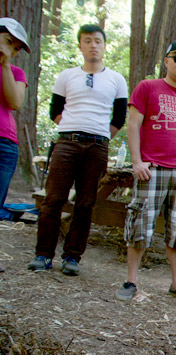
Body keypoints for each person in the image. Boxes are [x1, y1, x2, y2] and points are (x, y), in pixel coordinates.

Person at [114, 40, 176, 304]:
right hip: (151, 169)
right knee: (140, 225)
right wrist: (136, 161)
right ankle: (132, 280)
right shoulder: (147, 88)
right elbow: (133, 125)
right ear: (166, 60)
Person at [28, 24, 128, 275]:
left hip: (97, 147)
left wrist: (99, 135)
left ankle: (72, 257)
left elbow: (119, 118)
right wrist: (74, 130)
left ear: (104, 46)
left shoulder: (116, 79)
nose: (93, 45)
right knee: (54, 199)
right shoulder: (66, 76)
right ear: (80, 45)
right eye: (87, 41)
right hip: (66, 144)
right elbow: (55, 112)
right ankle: (43, 255)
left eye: (97, 41)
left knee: (86, 202)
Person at [0, 18, 29, 222]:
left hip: (5, 144)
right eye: (9, 41)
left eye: (16, 48)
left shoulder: (16, 72)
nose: (12, 50)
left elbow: (16, 102)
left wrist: (5, 64)